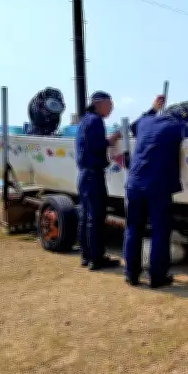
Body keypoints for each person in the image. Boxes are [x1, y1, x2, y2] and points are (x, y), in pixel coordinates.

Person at [122, 104, 188, 288]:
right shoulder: (177, 127)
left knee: (133, 229)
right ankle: (157, 276)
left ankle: (131, 274)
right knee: (160, 231)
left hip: (134, 184)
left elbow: (132, 126)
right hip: (158, 186)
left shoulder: (145, 121)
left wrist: (153, 109)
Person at [75, 91, 122, 270]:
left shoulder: (85, 120)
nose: (111, 108)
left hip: (84, 175)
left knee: (85, 216)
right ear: (98, 103)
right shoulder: (95, 121)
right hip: (93, 175)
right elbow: (99, 145)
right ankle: (96, 258)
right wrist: (115, 137)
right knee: (96, 217)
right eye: (109, 104)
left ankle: (86, 256)